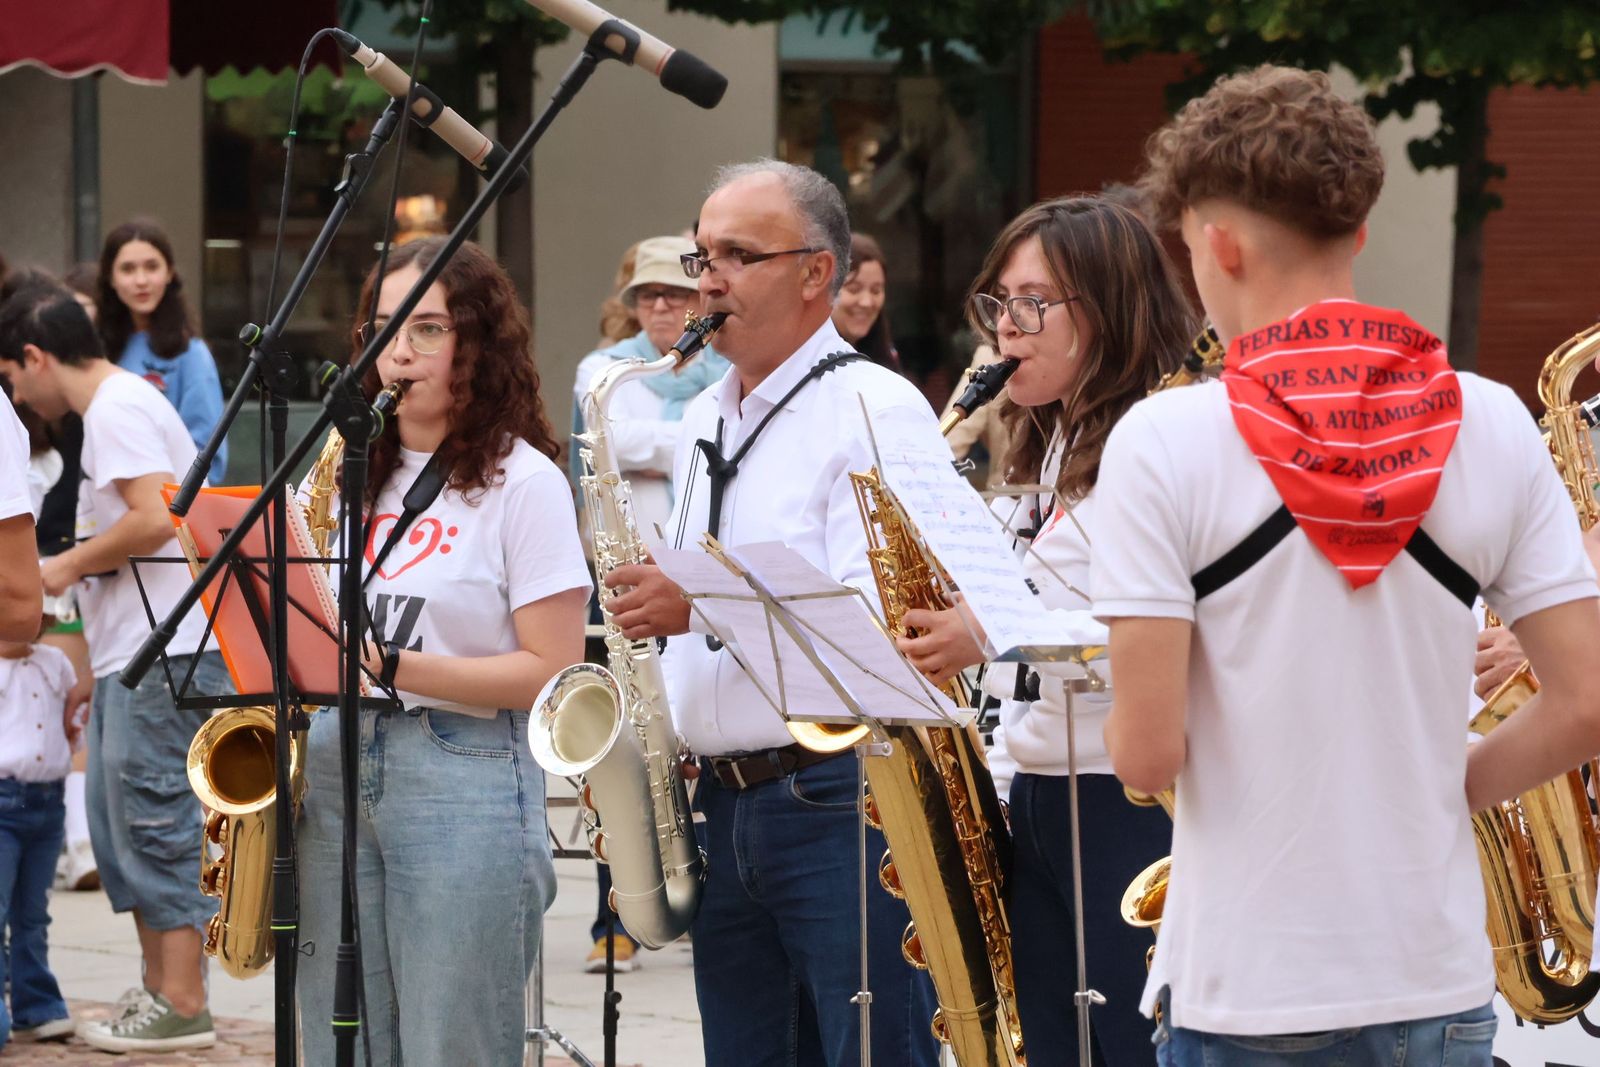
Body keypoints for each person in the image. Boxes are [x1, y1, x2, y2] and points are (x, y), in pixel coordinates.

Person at [1090, 64, 1600, 1065]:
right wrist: (1433, 786)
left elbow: (1145, 755)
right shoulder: (1490, 418)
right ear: (1357, 231)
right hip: (1435, 980)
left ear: (1218, 241)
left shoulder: (1164, 439)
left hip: (1246, 988)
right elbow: (1584, 698)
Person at [604, 158, 941, 1067]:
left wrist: (698, 601)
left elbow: (883, 632)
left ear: (815, 273)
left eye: (736, 255)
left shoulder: (875, 406)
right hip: (728, 800)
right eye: (701, 252)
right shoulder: (706, 416)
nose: (703, 279)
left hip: (841, 803)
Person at [897, 195, 1196, 1066]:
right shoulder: (1054, 444)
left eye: (1031, 304)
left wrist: (995, 633)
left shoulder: (1162, 442)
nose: (1005, 331)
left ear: (1109, 308)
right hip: (1039, 791)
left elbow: (1163, 638)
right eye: (997, 304)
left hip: (1126, 801)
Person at [293, 237, 590, 1067]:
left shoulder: (523, 483)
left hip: (461, 767)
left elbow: (552, 673)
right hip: (336, 762)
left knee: (448, 1045)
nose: (397, 352)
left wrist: (392, 667)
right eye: (382, 328)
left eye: (426, 328)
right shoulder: (342, 469)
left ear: (477, 344)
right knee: (337, 1041)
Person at [0, 280, 228, 1053]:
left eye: (12, 378)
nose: (17, 397)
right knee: (120, 821)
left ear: (34, 357)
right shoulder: (118, 409)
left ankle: (184, 998)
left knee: (157, 820)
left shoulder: (116, 411)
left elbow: (158, 515)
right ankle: (162, 990)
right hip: (142, 649)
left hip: (169, 648)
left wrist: (62, 567)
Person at [572, 234, 729, 973]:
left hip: (701, 590)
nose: (662, 308)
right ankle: (618, 910)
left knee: (700, 746)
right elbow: (620, 439)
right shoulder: (606, 370)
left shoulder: (734, 371)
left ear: (701, 300)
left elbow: (663, 447)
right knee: (629, 752)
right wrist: (678, 437)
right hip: (628, 586)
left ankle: (702, 893)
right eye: (648, 296)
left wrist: (659, 440)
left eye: (676, 294)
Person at [96, 220, 228, 485]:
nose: (141, 280)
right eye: (128, 269)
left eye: (152, 267)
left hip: (169, 505)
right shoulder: (95, 347)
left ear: (169, 273)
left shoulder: (191, 354)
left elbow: (208, 455)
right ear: (110, 277)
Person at [0, 596, 77, 1047]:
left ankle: (37, 1005)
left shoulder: (56, 663)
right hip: (3, 802)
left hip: (48, 804)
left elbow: (68, 717)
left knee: (33, 914)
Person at [830, 233, 899, 371]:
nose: (866, 302)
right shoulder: (802, 359)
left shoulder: (887, 356)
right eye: (854, 289)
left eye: (876, 291)